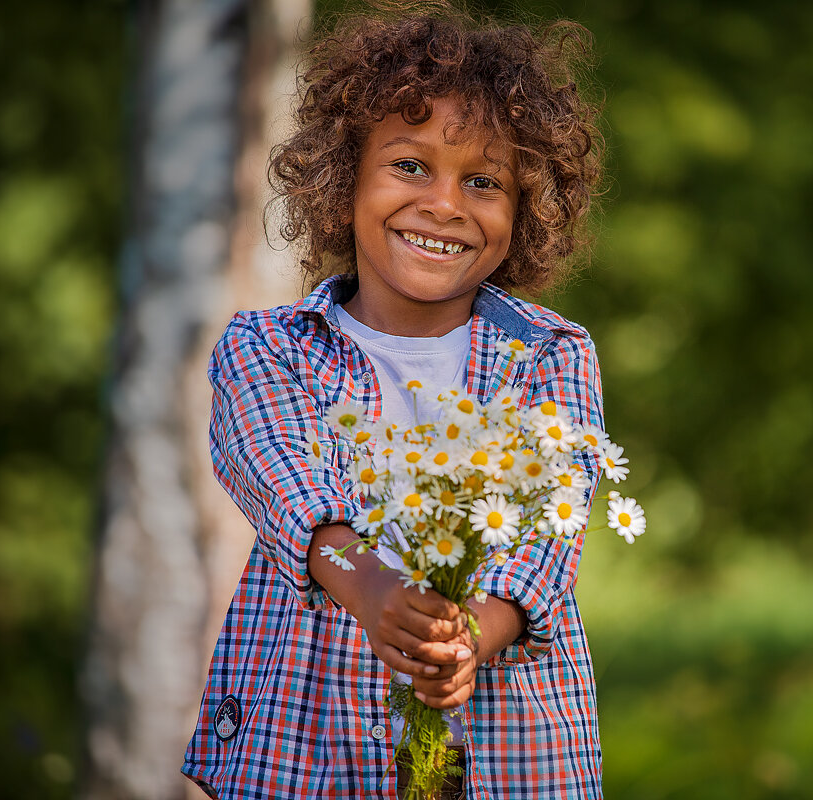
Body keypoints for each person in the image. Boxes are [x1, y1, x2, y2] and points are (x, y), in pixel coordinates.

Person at [181, 3, 606, 798]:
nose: (445, 203)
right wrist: (372, 589)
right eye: (410, 166)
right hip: (308, 745)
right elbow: (287, 488)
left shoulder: (551, 356)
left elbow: (555, 526)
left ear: (526, 211)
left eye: (483, 182)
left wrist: (473, 636)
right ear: (343, 179)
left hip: (503, 744)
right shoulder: (268, 348)